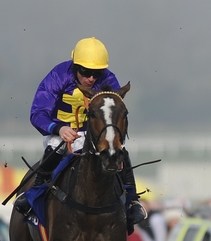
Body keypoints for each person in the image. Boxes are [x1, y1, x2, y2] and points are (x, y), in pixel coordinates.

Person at [14, 37, 146, 230]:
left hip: (93, 135)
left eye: (96, 73)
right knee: (55, 148)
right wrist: (59, 128)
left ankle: (132, 202)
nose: (91, 78)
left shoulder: (108, 80)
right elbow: (38, 113)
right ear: (76, 66)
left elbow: (114, 113)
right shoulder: (58, 76)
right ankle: (35, 193)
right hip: (60, 132)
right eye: (85, 72)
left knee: (119, 151)